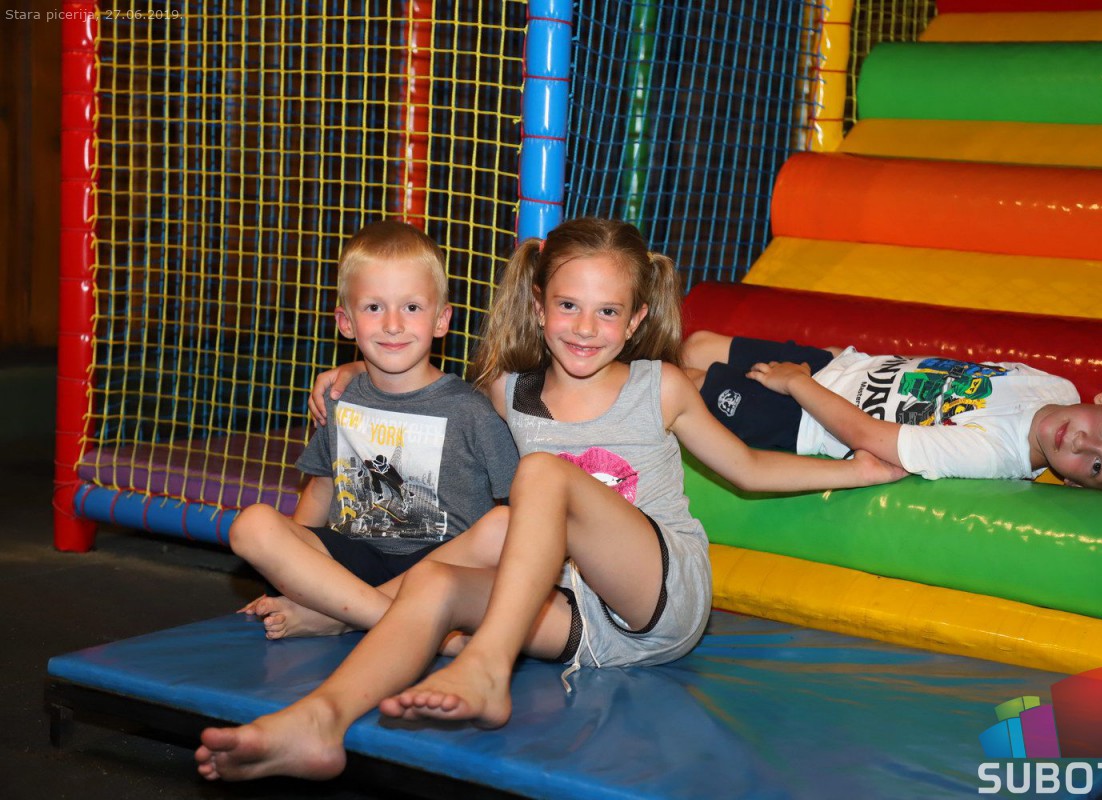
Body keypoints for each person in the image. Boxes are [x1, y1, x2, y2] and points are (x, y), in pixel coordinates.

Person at [194, 217, 906, 782]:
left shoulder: (658, 387)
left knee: (541, 477)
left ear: (635, 320)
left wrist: (858, 471)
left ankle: (486, 666)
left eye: (607, 312)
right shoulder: (507, 392)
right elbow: (420, 387)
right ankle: (319, 720)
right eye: (568, 306)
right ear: (538, 307)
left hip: (657, 595)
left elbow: (746, 468)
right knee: (441, 581)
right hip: (570, 614)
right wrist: (354, 370)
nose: (585, 328)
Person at [232, 219, 519, 640]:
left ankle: (343, 617)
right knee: (252, 525)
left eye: (412, 308)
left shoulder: (471, 409)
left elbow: (517, 504)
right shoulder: (339, 397)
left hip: (440, 571)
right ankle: (396, 622)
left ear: (441, 320)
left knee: (508, 525)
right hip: (353, 564)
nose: (392, 324)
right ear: (346, 322)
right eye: (373, 308)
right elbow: (321, 490)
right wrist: (288, 577)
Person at [682, 331, 1102, 497]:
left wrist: (796, 384)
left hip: (805, 418)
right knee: (699, 345)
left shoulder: (996, 453)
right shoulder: (1056, 387)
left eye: (1096, 466)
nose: (1082, 444)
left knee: (686, 385)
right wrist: (842, 360)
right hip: (838, 367)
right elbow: (943, 371)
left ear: (1078, 484)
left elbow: (868, 434)